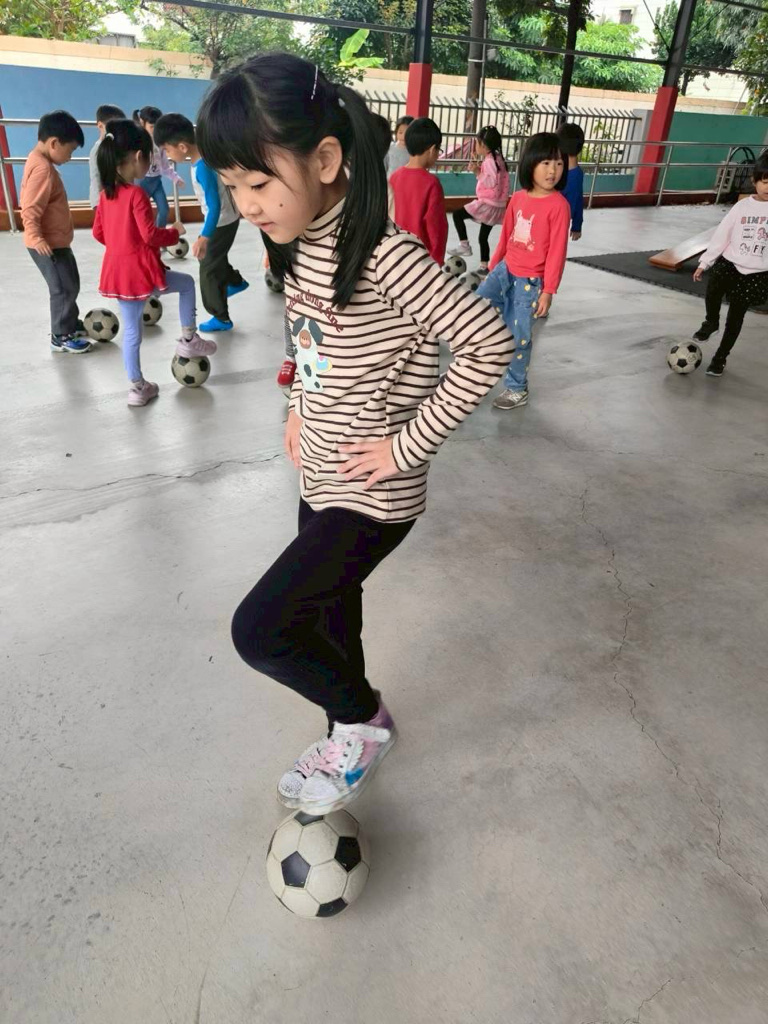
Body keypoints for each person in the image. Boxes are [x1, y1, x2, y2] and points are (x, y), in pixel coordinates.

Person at [195, 53, 514, 816]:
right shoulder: (301, 241)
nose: (247, 205)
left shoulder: (387, 258)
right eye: (233, 188)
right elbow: (307, 338)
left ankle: (363, 720)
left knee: (262, 630)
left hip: (373, 495)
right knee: (334, 610)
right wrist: (297, 407)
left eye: (258, 183)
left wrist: (406, 447)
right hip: (320, 473)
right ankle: (349, 729)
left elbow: (487, 344)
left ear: (327, 160)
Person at [92, 118, 217, 406]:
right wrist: (175, 232)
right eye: (149, 158)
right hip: (141, 272)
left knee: (131, 332)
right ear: (138, 157)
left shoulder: (105, 195)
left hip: (117, 274)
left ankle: (137, 388)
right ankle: (189, 339)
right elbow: (150, 235)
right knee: (187, 284)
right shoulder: (136, 194)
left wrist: (120, 244)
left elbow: (99, 233)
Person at [477, 131, 570, 411]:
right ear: (530, 163)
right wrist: (493, 267)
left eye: (559, 164)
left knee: (519, 337)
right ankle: (472, 371)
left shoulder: (559, 206)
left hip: (530, 282)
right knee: (475, 311)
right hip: (505, 270)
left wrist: (548, 290)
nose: (553, 170)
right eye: (546, 163)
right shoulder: (517, 198)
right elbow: (506, 236)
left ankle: (517, 388)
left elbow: (557, 252)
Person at [154, 112, 248, 333]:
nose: (167, 155)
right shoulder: (204, 157)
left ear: (182, 147)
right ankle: (234, 282)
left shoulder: (203, 167)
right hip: (226, 219)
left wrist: (205, 237)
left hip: (220, 221)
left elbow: (214, 206)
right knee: (215, 258)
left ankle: (220, 317)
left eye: (167, 150)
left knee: (207, 267)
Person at [692, 152, 768, 376]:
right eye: (765, 181)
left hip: (757, 273)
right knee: (713, 290)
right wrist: (705, 262)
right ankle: (711, 322)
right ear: (754, 180)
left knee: (736, 317)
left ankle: (720, 357)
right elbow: (722, 235)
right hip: (730, 262)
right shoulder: (742, 207)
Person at [21, 110, 91, 354]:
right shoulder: (42, 170)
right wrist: (36, 237)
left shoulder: (40, 161)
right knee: (62, 288)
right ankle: (60, 335)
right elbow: (30, 208)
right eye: (70, 151)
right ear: (54, 143)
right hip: (46, 244)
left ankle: (70, 322)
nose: (70, 157)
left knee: (71, 283)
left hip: (57, 241)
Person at [449, 125, 510, 275]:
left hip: (487, 203)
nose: (475, 146)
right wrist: (479, 168)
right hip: (498, 205)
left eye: (477, 143)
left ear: (483, 145)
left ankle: (464, 245)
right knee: (483, 237)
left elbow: (490, 182)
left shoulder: (489, 161)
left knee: (457, 215)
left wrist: (477, 171)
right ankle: (484, 267)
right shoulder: (498, 158)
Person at [389, 118, 448, 266]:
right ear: (432, 149)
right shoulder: (431, 183)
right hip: (421, 260)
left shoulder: (394, 177)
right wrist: (437, 262)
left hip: (394, 254)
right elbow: (436, 229)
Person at [132, 105, 185, 227]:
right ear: (142, 123)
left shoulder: (159, 143)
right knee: (141, 212)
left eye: (157, 127)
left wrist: (175, 178)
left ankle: (160, 234)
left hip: (156, 182)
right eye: (151, 127)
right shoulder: (137, 141)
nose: (154, 130)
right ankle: (141, 235)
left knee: (164, 209)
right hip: (141, 182)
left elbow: (164, 165)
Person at [89, 104, 125, 209]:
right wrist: (98, 203)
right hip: (102, 201)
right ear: (100, 126)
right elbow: (96, 178)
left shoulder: (118, 146)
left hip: (117, 198)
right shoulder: (97, 150)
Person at [556, 122, 585, 242]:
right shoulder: (577, 173)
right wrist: (577, 225)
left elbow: (578, 200)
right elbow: (579, 200)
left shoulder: (556, 173)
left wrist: (577, 225)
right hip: (561, 223)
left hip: (556, 224)